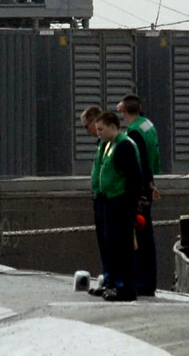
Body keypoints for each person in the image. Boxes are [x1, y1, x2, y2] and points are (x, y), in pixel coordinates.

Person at [95, 111, 142, 302]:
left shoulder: (123, 145)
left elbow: (133, 176)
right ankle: (116, 283)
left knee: (122, 245)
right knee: (112, 244)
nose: (98, 133)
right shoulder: (109, 145)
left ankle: (126, 287)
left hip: (121, 202)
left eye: (101, 129)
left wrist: (131, 202)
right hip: (111, 200)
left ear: (113, 126)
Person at [117, 93, 161, 295]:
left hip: (140, 187)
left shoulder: (134, 132)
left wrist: (146, 186)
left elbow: (140, 160)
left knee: (140, 238)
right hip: (148, 183)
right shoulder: (147, 125)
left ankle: (143, 281)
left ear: (124, 111)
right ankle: (148, 280)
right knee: (146, 237)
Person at [80, 105, 110, 295]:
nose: (88, 131)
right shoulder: (101, 145)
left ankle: (115, 281)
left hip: (109, 199)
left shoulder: (114, 144)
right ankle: (109, 279)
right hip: (100, 197)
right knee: (104, 243)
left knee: (111, 243)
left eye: (86, 126)